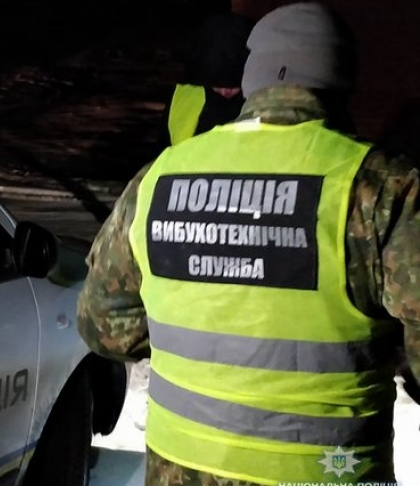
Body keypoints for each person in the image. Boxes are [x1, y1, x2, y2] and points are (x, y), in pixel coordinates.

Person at [77, 2, 420, 484]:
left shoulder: (158, 178)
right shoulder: (382, 190)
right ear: (343, 81)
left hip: (180, 464)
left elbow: (102, 325)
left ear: (253, 78)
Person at [157, 12, 255, 148]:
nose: (225, 91)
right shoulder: (181, 99)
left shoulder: (266, 104)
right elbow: (161, 155)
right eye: (215, 85)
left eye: (235, 85)